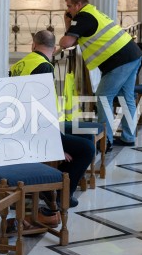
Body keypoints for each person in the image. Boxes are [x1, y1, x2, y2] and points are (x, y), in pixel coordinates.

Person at [10, 30, 95, 208]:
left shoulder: (17, 66)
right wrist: (54, 145)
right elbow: (42, 108)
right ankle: (62, 196)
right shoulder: (44, 67)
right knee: (87, 149)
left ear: (33, 45)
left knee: (86, 136)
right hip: (34, 130)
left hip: (20, 125)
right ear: (54, 48)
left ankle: (53, 189)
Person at [58, 0, 142, 150]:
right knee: (126, 97)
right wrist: (69, 23)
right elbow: (74, 39)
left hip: (120, 60)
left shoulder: (82, 17)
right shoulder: (91, 12)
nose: (68, 10)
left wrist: (67, 22)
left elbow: (66, 42)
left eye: (69, 6)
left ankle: (107, 141)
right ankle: (128, 137)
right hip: (132, 54)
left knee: (103, 97)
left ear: (78, 4)